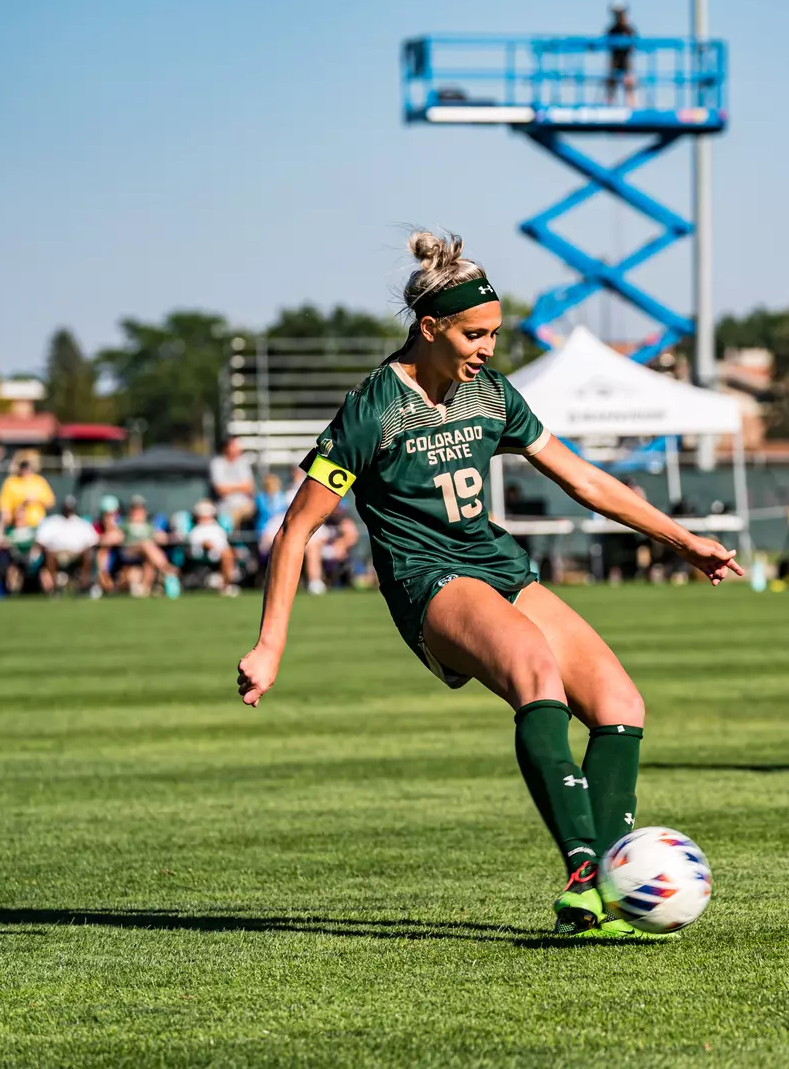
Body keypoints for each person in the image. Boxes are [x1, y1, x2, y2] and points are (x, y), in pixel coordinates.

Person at [234, 230, 741, 939]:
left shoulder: (492, 396)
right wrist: (270, 646)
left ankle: (611, 893)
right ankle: (587, 878)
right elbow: (296, 530)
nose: (488, 348)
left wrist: (683, 541)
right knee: (536, 671)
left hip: (497, 565)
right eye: (475, 334)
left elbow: (585, 479)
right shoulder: (372, 409)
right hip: (427, 579)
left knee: (622, 703)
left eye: (495, 334)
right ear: (429, 326)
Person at [34, 496, 99, 596]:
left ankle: (84, 585)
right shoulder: (51, 521)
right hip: (56, 553)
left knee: (88, 554)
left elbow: (93, 542)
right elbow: (40, 541)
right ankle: (54, 588)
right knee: (50, 555)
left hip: (76, 554)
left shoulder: (81, 523)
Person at [121, 496, 181, 598]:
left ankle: (145, 589)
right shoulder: (125, 524)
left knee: (149, 561)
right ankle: (168, 569)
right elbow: (117, 536)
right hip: (130, 550)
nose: (137, 512)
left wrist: (168, 537)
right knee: (146, 544)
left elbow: (158, 536)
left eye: (140, 509)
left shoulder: (148, 526)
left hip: (147, 553)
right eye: (135, 509)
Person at [188, 500, 241, 596]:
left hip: (221, 552)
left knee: (229, 554)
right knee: (227, 555)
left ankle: (226, 584)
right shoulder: (197, 530)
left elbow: (224, 542)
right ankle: (226, 585)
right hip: (206, 554)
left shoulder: (217, 528)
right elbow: (202, 543)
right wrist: (214, 548)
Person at [0, 457, 54, 540]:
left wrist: (36, 499)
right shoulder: (11, 482)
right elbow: (4, 506)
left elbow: (50, 502)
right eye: (23, 468)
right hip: (18, 526)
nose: (25, 471)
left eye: (27, 468)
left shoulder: (39, 481)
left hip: (37, 525)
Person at [210, 437, 258, 532]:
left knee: (235, 514)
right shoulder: (217, 463)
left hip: (244, 505)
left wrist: (228, 487)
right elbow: (220, 490)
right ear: (226, 447)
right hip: (222, 505)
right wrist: (240, 487)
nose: (239, 449)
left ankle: (231, 538)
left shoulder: (243, 462)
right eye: (235, 446)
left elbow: (249, 487)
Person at [603, 2, 638, 107]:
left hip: (626, 61)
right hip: (614, 61)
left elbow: (634, 44)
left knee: (629, 83)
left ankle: (632, 107)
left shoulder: (629, 29)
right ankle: (608, 105)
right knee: (611, 83)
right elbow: (606, 43)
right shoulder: (611, 30)